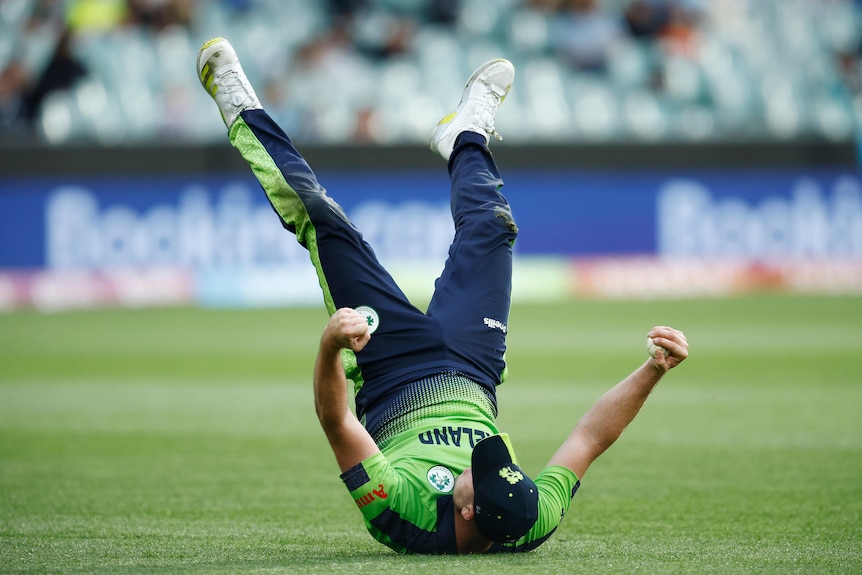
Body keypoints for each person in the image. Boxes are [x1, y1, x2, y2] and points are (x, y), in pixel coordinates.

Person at [196, 37, 689, 555]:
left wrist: (329, 346)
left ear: (468, 510)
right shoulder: (528, 516)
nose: (482, 459)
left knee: (323, 220)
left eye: (480, 472)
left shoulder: (400, 512)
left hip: (391, 369)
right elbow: (590, 439)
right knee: (495, 226)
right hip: (474, 368)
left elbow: (336, 421)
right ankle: (466, 136)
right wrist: (653, 369)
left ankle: (236, 104)